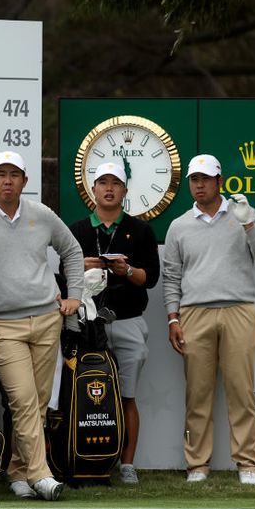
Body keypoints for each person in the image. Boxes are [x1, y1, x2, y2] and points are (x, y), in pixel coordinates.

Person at [0, 150, 84, 501]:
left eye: (15, 175)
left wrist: (76, 296)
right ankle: (42, 475)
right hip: (2, 324)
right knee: (24, 400)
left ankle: (18, 470)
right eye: (1, 174)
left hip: (46, 319)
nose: (7, 180)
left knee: (37, 403)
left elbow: (72, 252)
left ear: (25, 181)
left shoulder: (41, 214)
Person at [162, 154, 255, 485]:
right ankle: (197, 464)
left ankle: (248, 464)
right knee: (198, 393)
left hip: (239, 308)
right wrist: (173, 318)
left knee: (241, 390)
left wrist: (248, 224)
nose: (199, 185)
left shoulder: (244, 214)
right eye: (194, 180)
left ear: (219, 182)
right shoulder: (179, 225)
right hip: (194, 312)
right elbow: (171, 277)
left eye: (205, 179)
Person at [66, 162, 159, 485]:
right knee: (82, 392)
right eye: (102, 182)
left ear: (125, 190)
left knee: (126, 395)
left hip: (128, 321)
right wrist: (83, 265)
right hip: (85, 323)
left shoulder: (141, 230)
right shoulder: (76, 229)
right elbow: (63, 275)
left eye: (115, 183)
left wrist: (127, 271)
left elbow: (150, 279)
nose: (109, 188)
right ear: (92, 189)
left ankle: (127, 464)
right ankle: (81, 455)